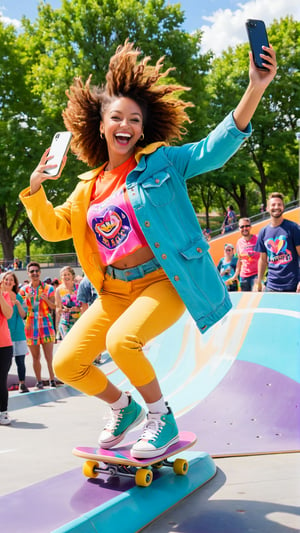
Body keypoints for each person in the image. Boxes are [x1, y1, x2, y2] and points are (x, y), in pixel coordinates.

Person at [19, 40, 277, 458]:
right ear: (100, 125)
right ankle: (123, 409)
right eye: (116, 117)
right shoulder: (86, 188)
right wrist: (35, 188)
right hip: (114, 291)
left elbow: (213, 150)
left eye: (134, 120)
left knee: (123, 341)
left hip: (162, 282)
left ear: (142, 128)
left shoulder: (162, 163)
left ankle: (162, 418)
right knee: (68, 364)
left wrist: (256, 87)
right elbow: (51, 229)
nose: (126, 125)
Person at [19, 262, 57, 389]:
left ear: (40, 272)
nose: (34, 273)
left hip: (46, 323)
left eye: (36, 271)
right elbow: (21, 310)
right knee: (35, 357)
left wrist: (46, 300)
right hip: (30, 326)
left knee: (49, 356)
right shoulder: (23, 290)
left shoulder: (49, 288)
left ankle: (52, 379)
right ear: (28, 274)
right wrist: (25, 300)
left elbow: (54, 307)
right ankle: (39, 381)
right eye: (32, 271)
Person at [255, 192, 300, 292]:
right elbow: (262, 260)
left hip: (292, 286)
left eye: (279, 204)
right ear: (267, 208)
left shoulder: (293, 228)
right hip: (271, 286)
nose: (276, 207)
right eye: (273, 204)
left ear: (283, 207)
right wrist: (259, 281)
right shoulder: (263, 232)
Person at [2, 271, 30, 393]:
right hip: (4, 335)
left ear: (14, 283)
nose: (8, 282)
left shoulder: (18, 296)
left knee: (20, 361)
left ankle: (22, 384)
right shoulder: (1, 296)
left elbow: (24, 315)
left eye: (11, 280)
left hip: (18, 333)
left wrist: (18, 304)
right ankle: (3, 385)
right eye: (6, 279)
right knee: (5, 364)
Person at [227, 217, 260, 291]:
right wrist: (235, 275)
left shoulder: (258, 239)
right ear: (239, 228)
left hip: (256, 275)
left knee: (256, 298)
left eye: (247, 226)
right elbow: (239, 260)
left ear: (250, 227)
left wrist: (262, 275)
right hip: (243, 277)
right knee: (246, 299)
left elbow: (264, 257)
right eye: (242, 226)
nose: (244, 228)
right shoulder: (239, 242)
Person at [0, 273, 13, 425]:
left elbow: (8, 314)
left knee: (1, 379)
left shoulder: (5, 295)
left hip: (4, 345)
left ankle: (3, 412)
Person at [55, 266, 82, 339]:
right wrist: (62, 310)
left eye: (68, 274)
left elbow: (85, 305)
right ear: (61, 277)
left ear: (72, 276)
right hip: (65, 322)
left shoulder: (79, 287)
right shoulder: (58, 290)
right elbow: (58, 308)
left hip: (79, 320)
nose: (66, 276)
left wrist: (78, 309)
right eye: (64, 275)